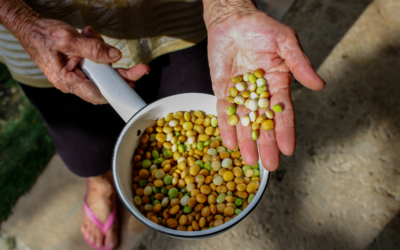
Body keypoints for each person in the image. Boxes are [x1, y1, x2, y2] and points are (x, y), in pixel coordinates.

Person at [0, 0, 325, 249]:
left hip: (173, 15)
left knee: (196, 83)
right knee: (84, 147)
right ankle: (100, 185)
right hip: (39, 23)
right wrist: (20, 18)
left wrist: (228, 8)